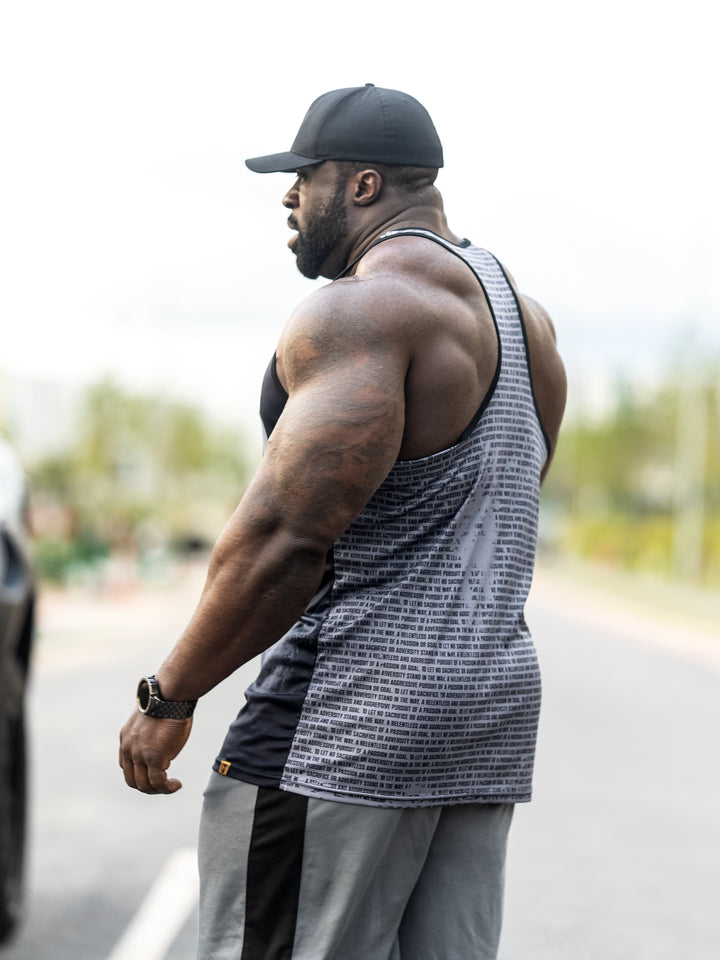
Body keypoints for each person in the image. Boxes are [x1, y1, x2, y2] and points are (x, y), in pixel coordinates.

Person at [119, 83, 566, 960]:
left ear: (362, 186)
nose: (288, 197)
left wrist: (167, 696)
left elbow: (286, 539)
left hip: (342, 727)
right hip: (483, 719)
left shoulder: (363, 311)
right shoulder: (528, 326)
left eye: (302, 177)